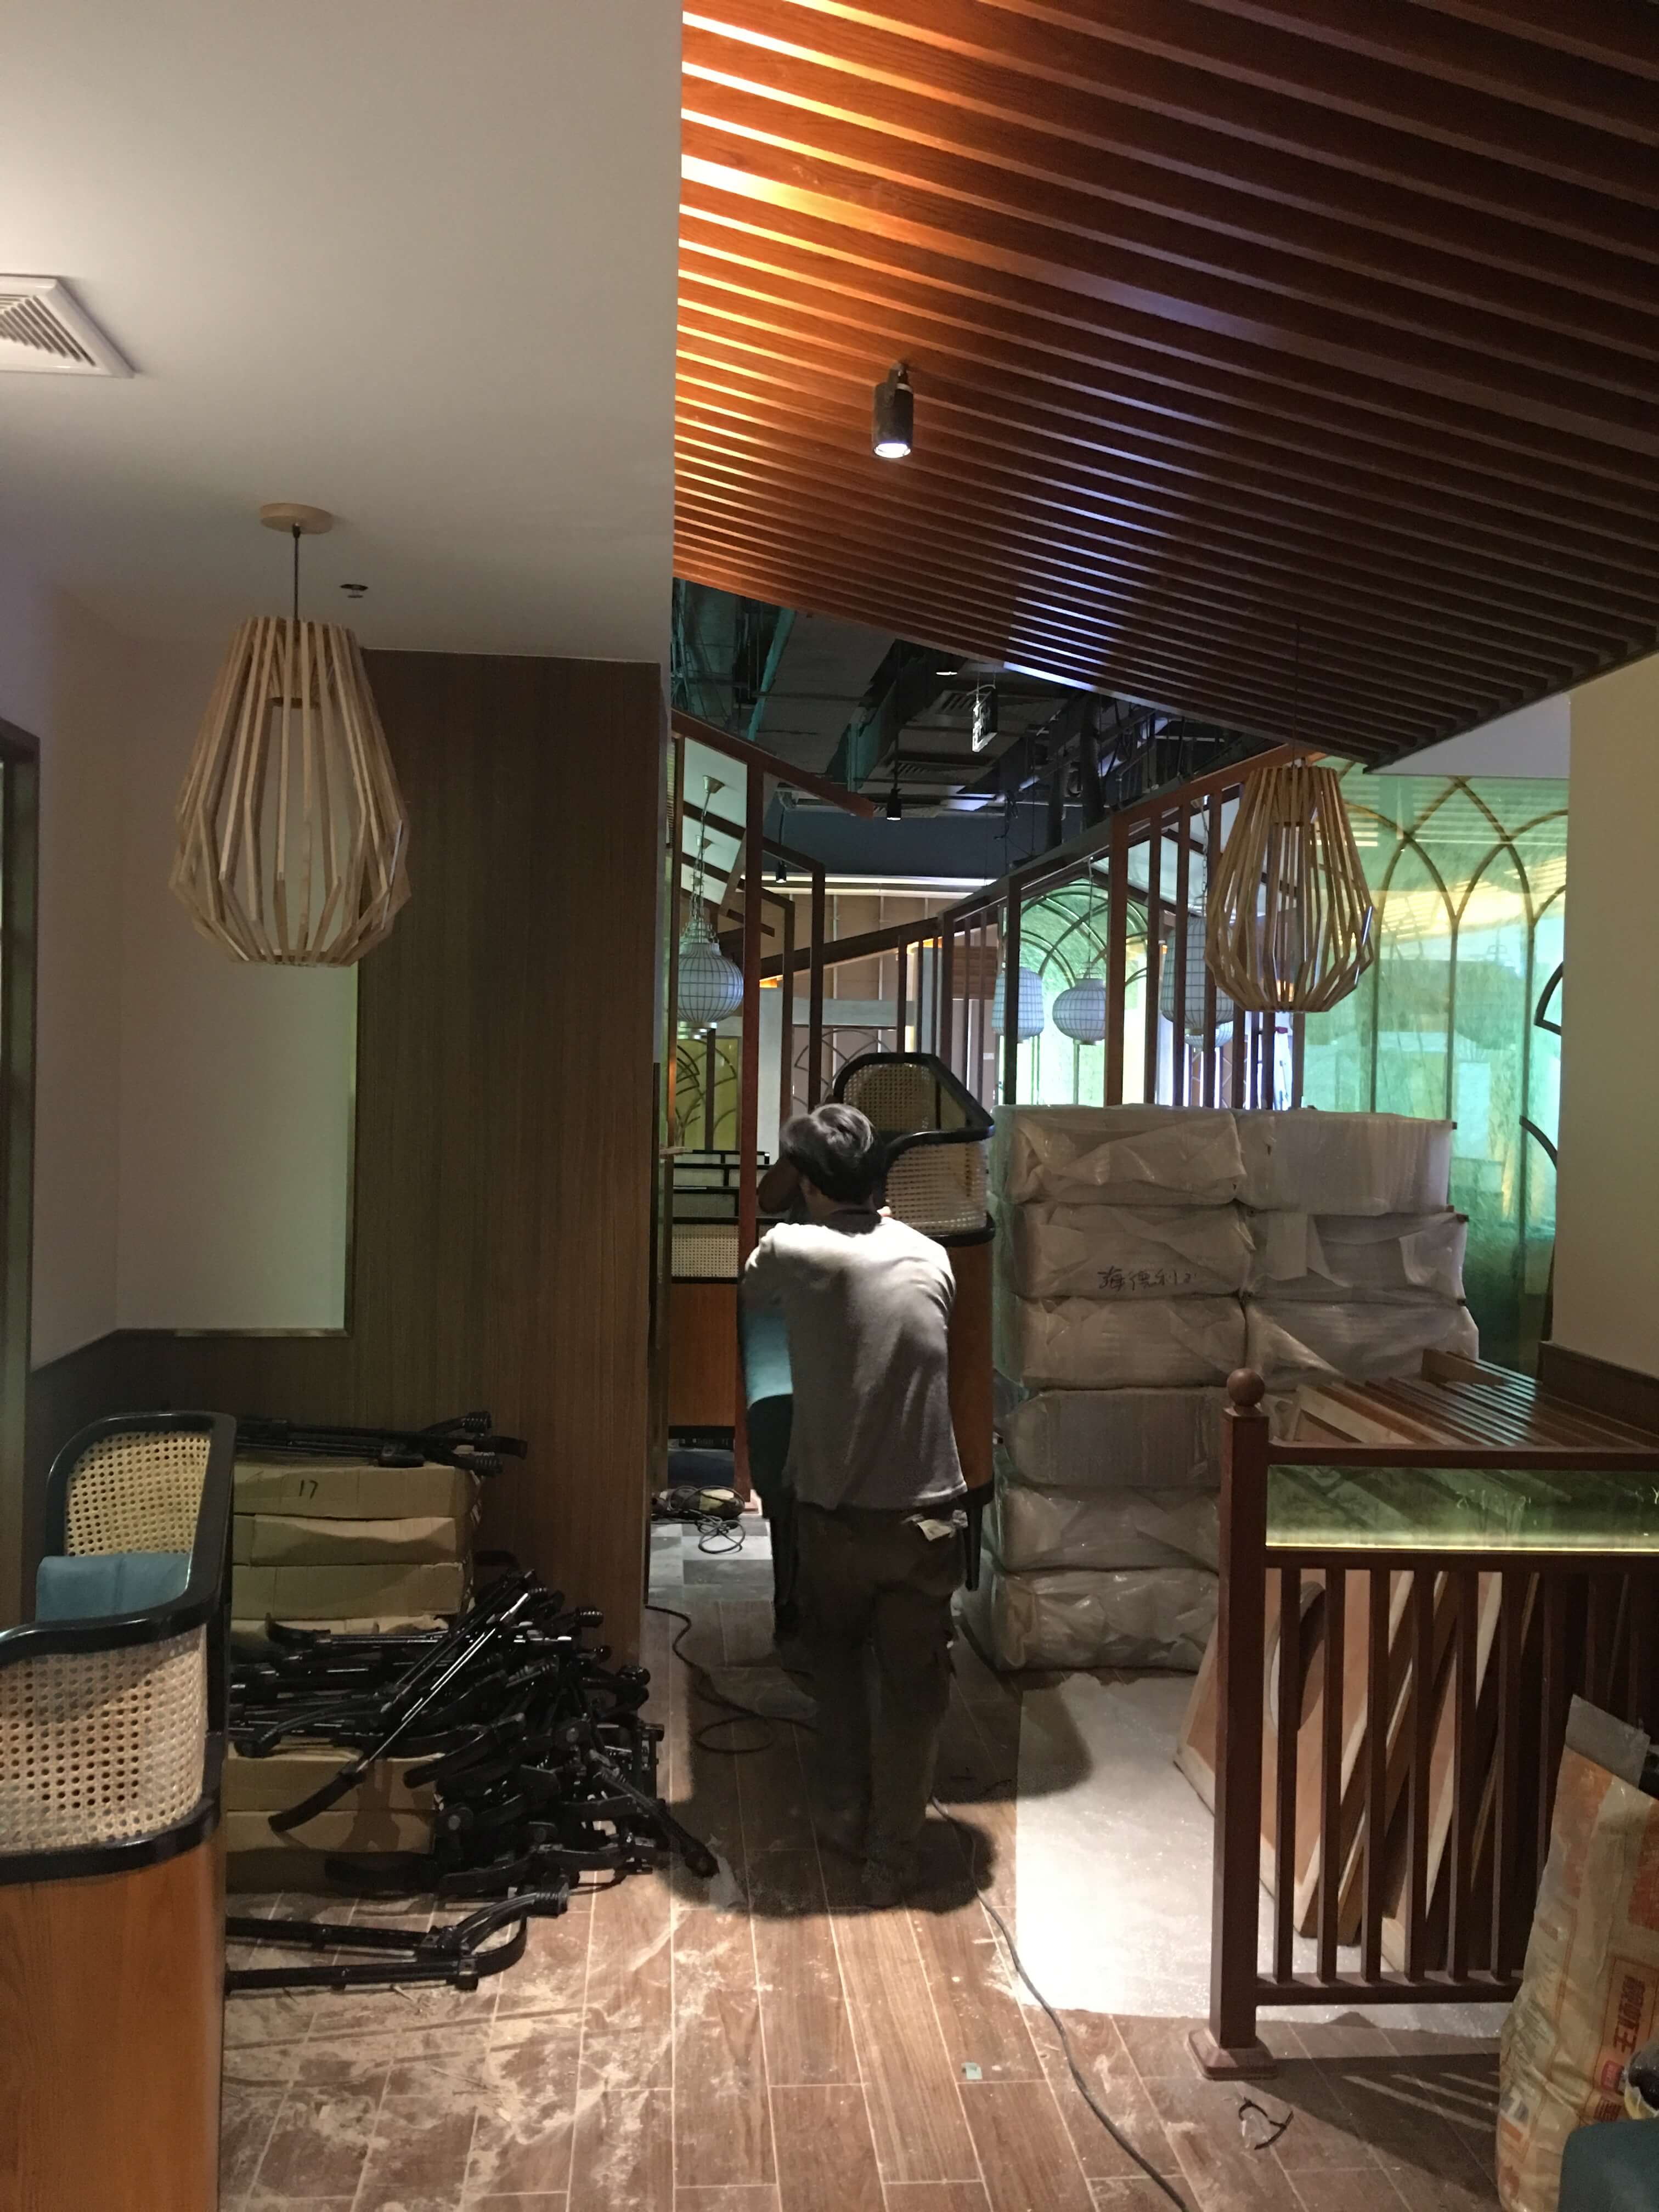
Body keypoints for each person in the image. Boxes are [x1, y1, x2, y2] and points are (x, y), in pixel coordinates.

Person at [742, 1102, 964, 1906]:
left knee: (835, 1666)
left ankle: (844, 1815)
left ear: (808, 1181)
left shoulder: (790, 1250)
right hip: (930, 1514)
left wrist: (791, 1188)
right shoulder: (933, 1255)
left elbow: (758, 1268)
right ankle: (893, 1855)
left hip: (835, 1519)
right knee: (915, 1691)